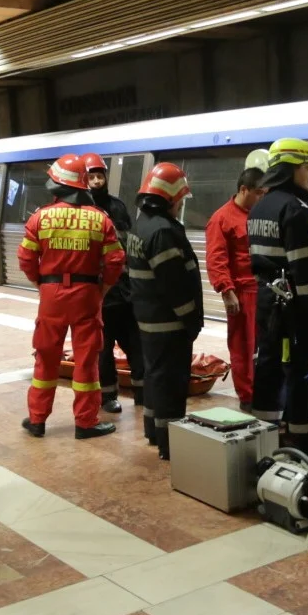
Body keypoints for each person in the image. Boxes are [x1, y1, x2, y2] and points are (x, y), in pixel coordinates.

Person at [18, 155, 126, 440]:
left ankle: (37, 420)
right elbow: (115, 261)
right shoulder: (99, 219)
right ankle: (86, 423)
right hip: (87, 295)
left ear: (59, 185)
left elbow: (26, 258)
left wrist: (42, 284)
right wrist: (102, 289)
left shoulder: (39, 217)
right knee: (87, 360)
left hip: (52, 295)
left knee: (46, 358)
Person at [248, 138, 308, 464]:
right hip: (294, 308)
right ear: (289, 168)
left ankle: (264, 442)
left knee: (268, 369)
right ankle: (305, 447)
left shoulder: (261, 207)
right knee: (304, 374)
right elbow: (306, 272)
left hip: (269, 301)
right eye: (307, 167)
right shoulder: (296, 211)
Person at [127, 163, 203, 461]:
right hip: (168, 322)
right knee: (170, 383)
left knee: (155, 377)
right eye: (180, 200)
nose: (181, 205)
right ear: (169, 198)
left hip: (148, 318)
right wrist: (191, 320)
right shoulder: (162, 231)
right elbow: (175, 285)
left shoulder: (142, 223)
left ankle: (153, 430)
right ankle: (170, 444)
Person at [83, 152, 143, 414]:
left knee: (135, 343)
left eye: (100, 175)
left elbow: (128, 242)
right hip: (100, 294)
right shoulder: (80, 209)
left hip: (124, 290)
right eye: (92, 176)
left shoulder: (117, 206)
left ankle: (143, 390)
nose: (97, 181)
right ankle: (108, 396)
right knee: (103, 350)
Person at [206, 161, 267, 413]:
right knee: (243, 347)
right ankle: (247, 396)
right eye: (260, 193)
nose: (263, 198)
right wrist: (227, 291)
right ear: (245, 189)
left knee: (264, 347)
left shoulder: (260, 215)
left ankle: (264, 391)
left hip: (264, 290)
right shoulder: (222, 218)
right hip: (242, 293)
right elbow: (216, 258)